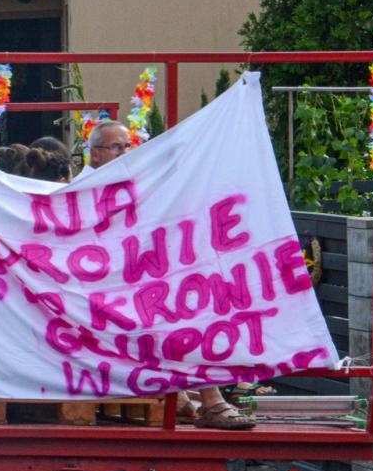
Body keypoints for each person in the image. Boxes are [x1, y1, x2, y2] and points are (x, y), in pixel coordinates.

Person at [86, 119, 254, 429]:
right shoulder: (82, 192)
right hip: (102, 295)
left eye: (128, 147)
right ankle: (210, 400)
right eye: (116, 148)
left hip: (134, 285)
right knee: (176, 317)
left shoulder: (136, 187)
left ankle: (193, 396)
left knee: (188, 308)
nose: (125, 153)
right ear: (95, 154)